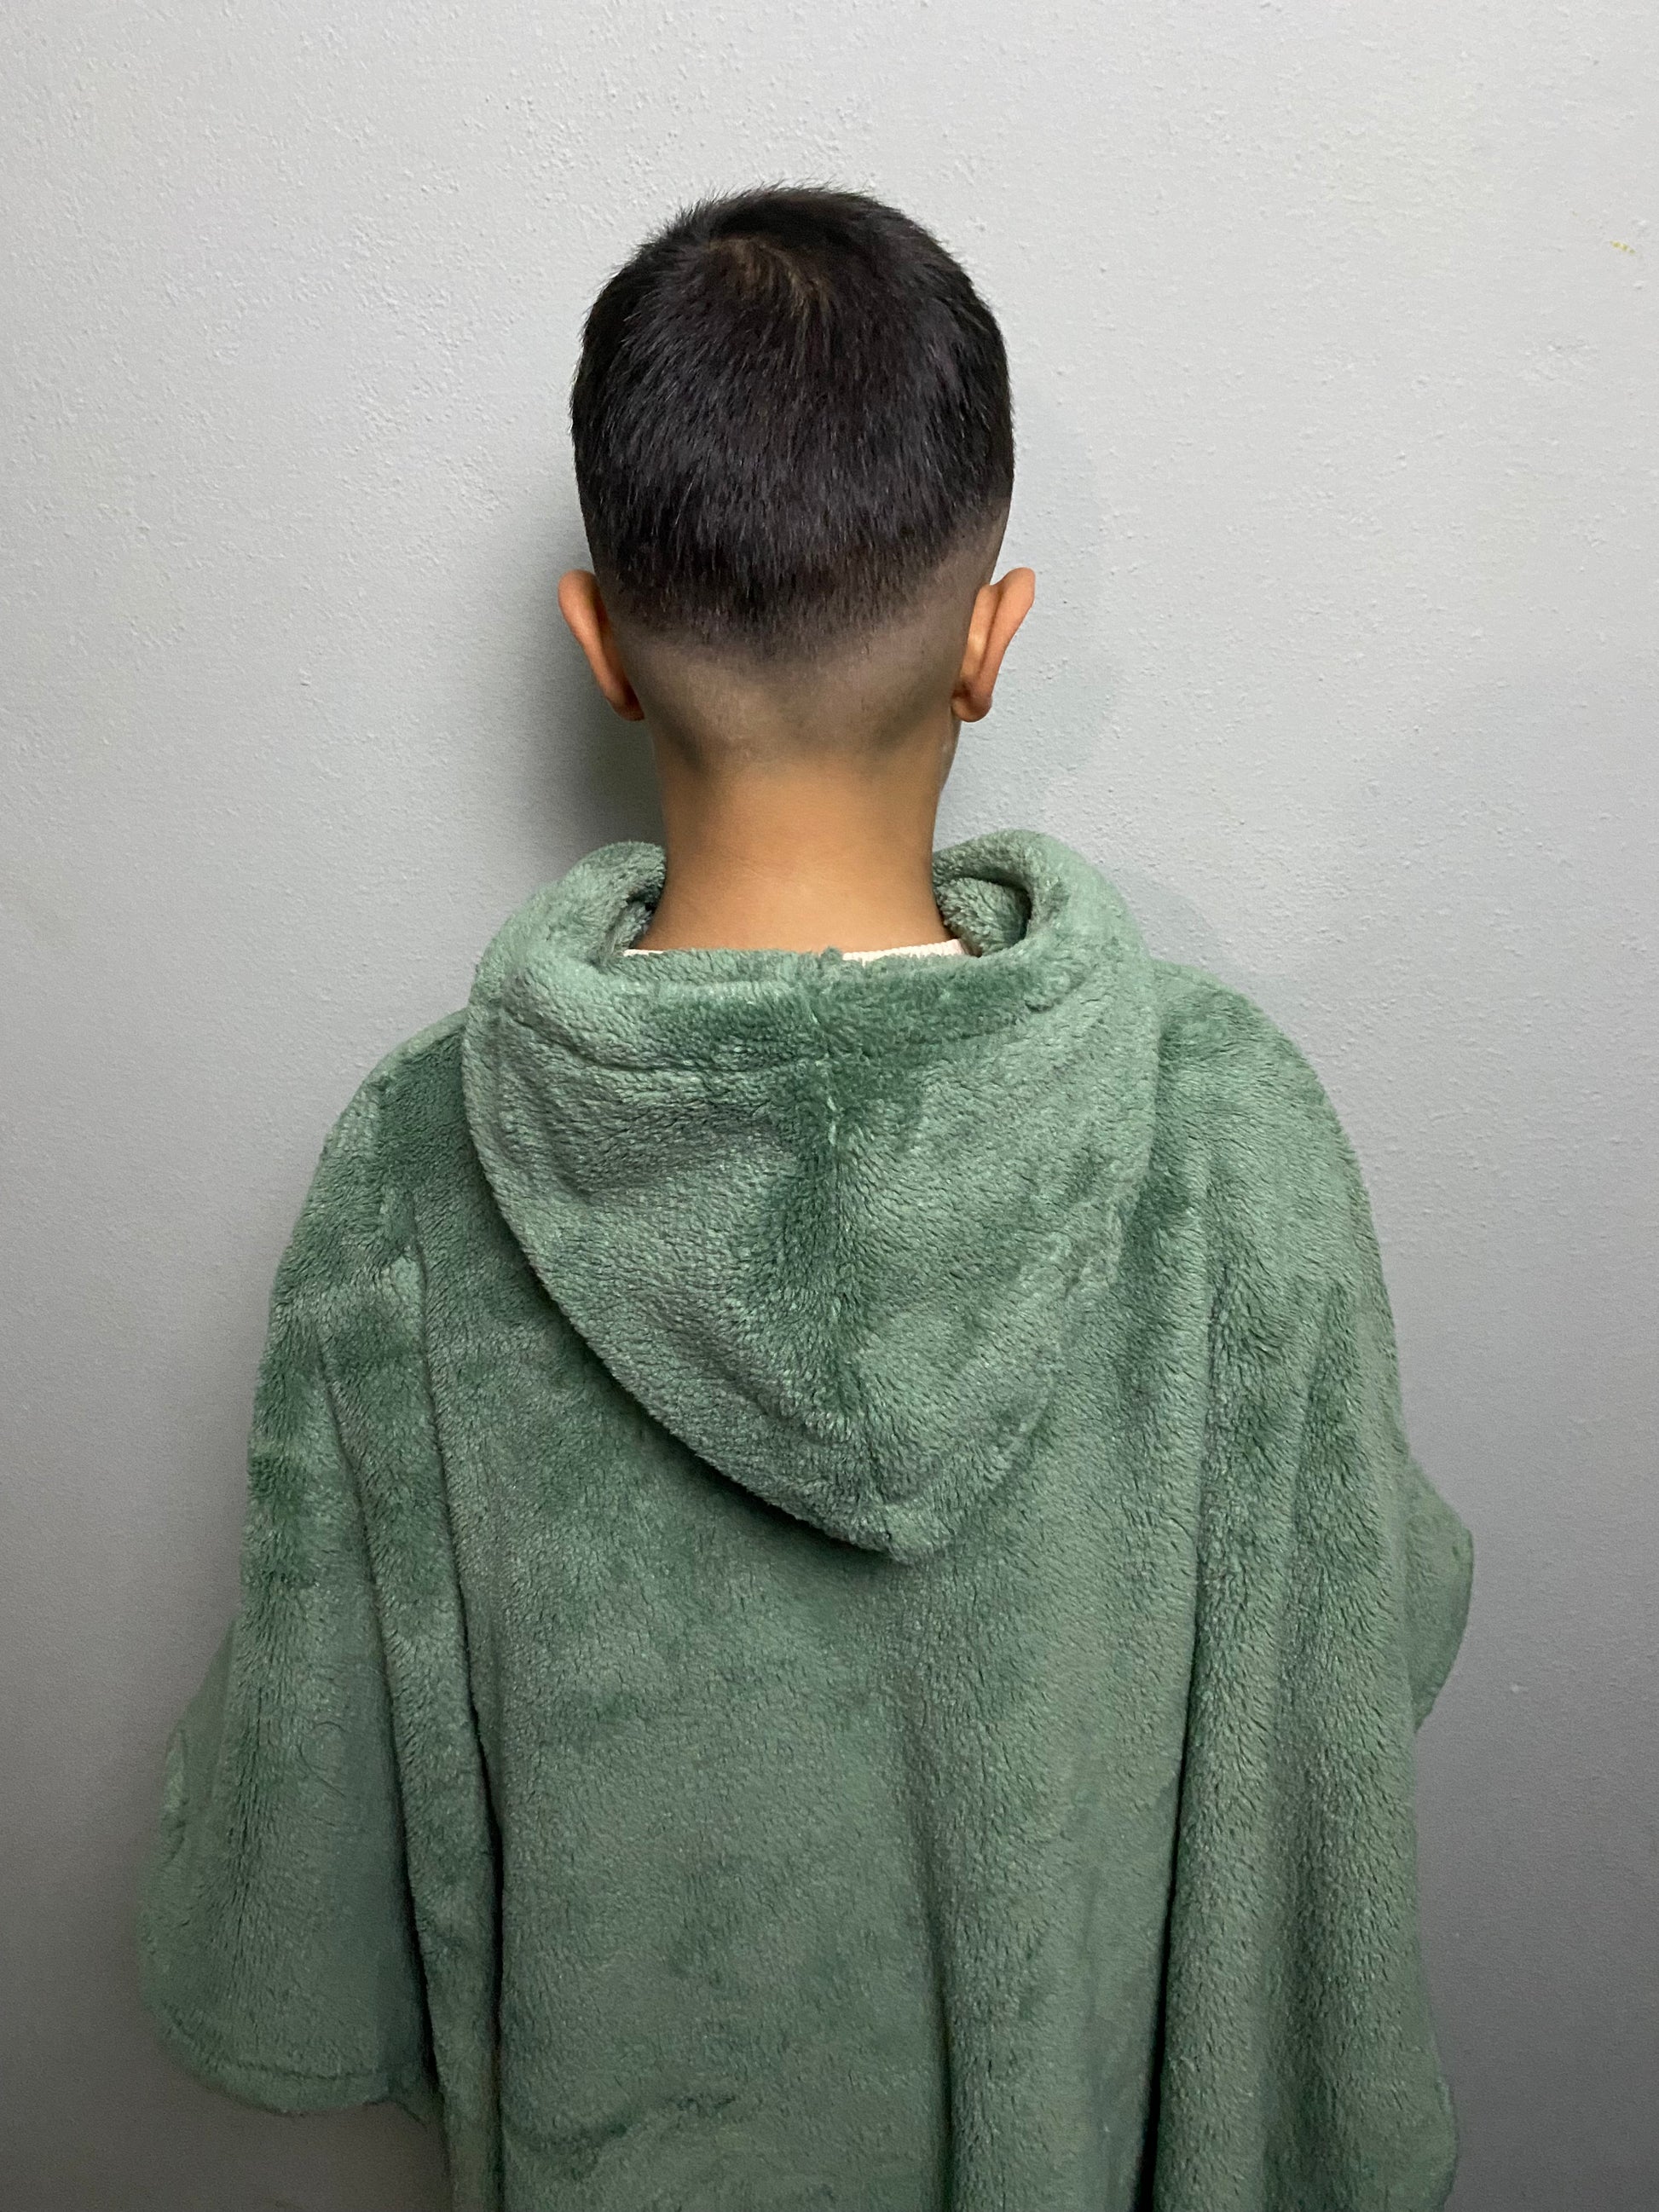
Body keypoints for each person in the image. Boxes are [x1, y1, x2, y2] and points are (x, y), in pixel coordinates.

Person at [137, 186, 1474, 2212]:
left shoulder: (416, 1167)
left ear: (597, 644)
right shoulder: (1229, 1134)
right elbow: (1358, 1640)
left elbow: (300, 1830)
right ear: (991, 641)